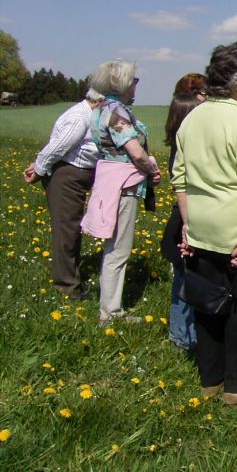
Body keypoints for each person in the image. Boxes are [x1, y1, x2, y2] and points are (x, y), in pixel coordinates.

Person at [172, 41, 237, 405]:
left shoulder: (192, 118)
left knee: (208, 307)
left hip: (200, 229)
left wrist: (187, 223)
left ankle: (211, 380)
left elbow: (180, 177)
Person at [81, 60, 161, 323]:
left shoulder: (100, 108)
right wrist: (152, 169)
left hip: (109, 180)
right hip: (124, 184)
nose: (136, 85)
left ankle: (108, 307)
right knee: (118, 249)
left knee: (113, 247)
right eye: (134, 80)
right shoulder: (117, 112)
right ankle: (110, 312)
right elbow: (135, 152)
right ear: (123, 84)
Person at [22, 79, 104, 300]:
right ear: (101, 98)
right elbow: (57, 148)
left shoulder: (91, 114)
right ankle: (67, 286)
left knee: (71, 229)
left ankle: (69, 278)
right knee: (67, 231)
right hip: (66, 176)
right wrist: (38, 170)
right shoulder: (80, 117)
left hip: (75, 175)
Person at [161, 75, 207, 351]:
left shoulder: (178, 147)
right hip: (187, 219)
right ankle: (181, 336)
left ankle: (184, 334)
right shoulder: (185, 150)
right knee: (185, 278)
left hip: (183, 217)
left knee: (186, 277)